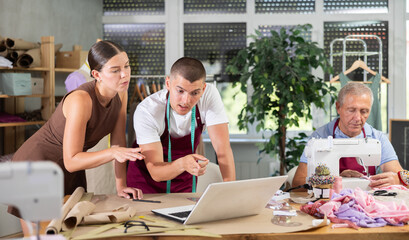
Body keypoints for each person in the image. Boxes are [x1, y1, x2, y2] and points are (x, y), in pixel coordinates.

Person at [9, 41, 145, 221]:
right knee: (42, 234)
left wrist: (121, 186)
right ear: (97, 74)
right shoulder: (81, 100)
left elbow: (119, 141)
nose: (124, 74)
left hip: (71, 169)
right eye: (115, 70)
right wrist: (112, 152)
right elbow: (72, 160)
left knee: (72, 230)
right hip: (37, 164)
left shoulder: (121, 91)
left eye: (127, 66)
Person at [127, 57, 236, 193]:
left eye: (194, 93)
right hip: (146, 185)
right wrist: (183, 164)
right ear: (168, 83)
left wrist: (230, 190)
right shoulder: (148, 111)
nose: (186, 100)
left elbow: (223, 150)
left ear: (203, 89)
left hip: (184, 183)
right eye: (180, 91)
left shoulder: (209, 96)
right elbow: (155, 172)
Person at [292, 82, 406, 189]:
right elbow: (298, 182)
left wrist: (398, 179)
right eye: (351, 110)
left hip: (366, 202)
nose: (357, 118)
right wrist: (336, 178)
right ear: (338, 107)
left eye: (364, 111)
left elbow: (402, 176)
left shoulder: (378, 138)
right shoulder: (320, 136)